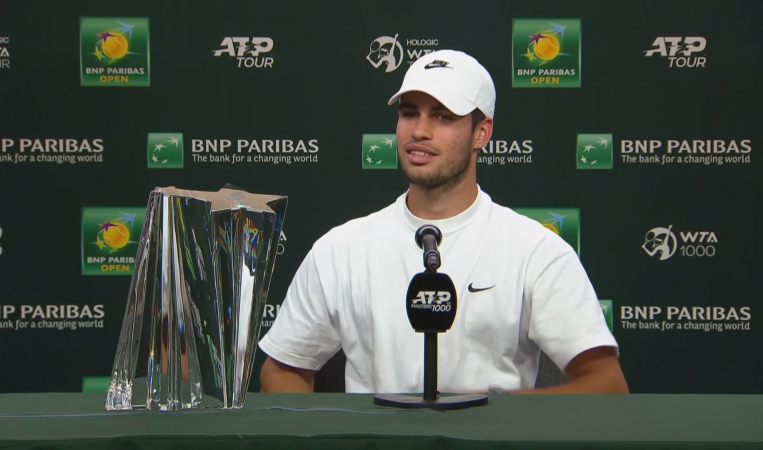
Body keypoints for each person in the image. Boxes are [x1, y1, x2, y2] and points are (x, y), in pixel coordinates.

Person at [258, 49, 628, 395]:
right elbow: (282, 370)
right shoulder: (340, 249)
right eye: (409, 113)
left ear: (481, 132)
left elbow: (606, 384)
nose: (420, 131)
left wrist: (490, 420)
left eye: (443, 116)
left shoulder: (535, 250)